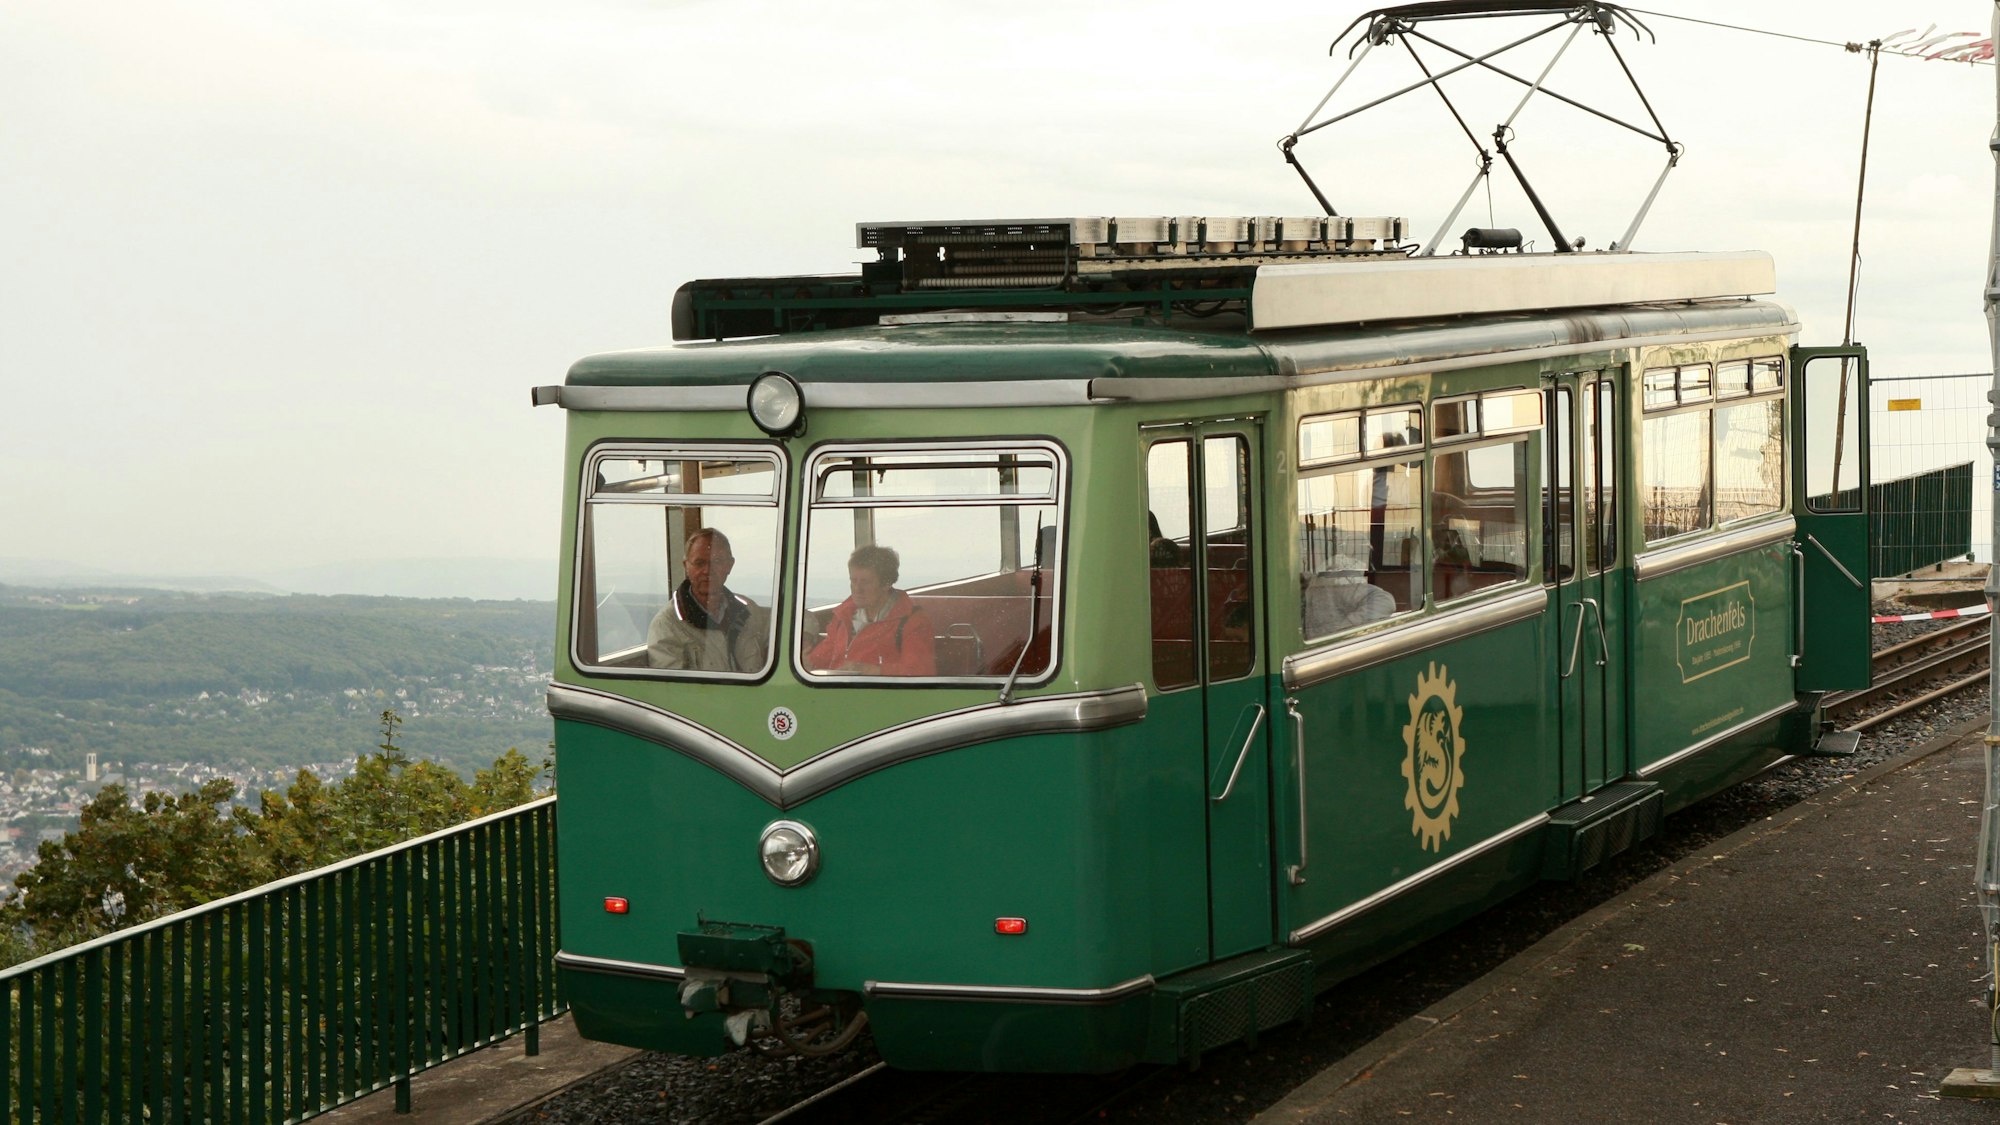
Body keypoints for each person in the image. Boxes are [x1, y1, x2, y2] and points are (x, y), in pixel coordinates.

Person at [647, 528, 770, 672]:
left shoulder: (748, 610)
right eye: (699, 563)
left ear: (729, 565)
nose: (707, 570)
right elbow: (674, 690)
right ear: (686, 566)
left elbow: (790, 625)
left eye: (717, 562)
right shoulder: (667, 625)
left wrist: (804, 641)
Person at [806, 545, 937, 676]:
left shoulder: (912, 621)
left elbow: (921, 673)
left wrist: (873, 671)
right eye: (853, 581)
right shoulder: (843, 616)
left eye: (866, 582)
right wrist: (805, 663)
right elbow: (822, 658)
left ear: (886, 584)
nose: (857, 589)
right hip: (838, 691)